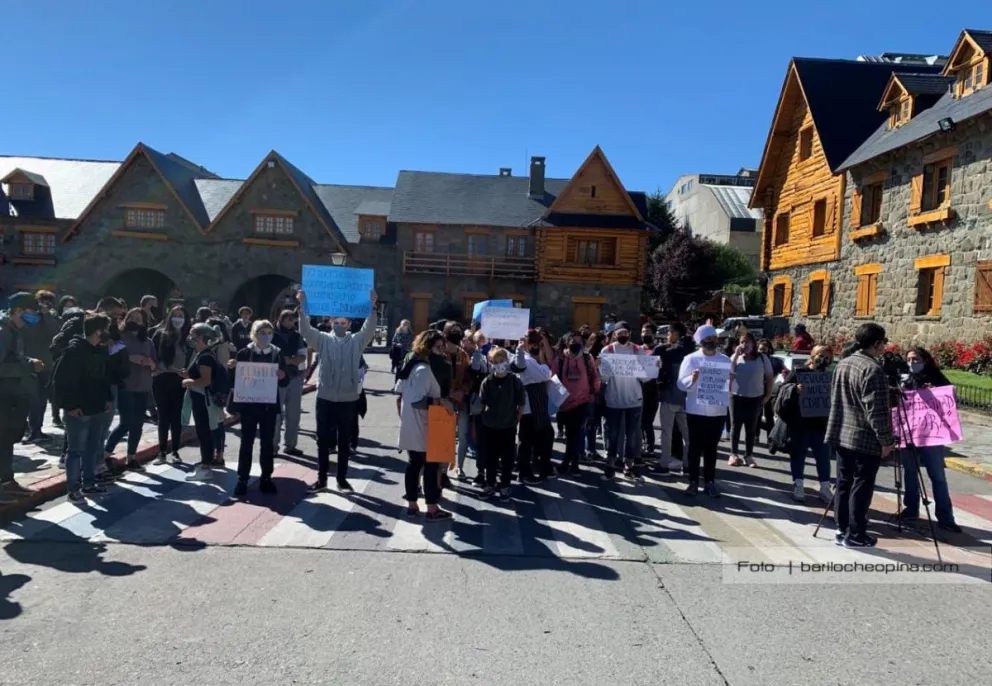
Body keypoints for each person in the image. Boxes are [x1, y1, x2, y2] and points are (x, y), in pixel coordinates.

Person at [296, 288, 377, 493]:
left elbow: (369, 329)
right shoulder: (322, 339)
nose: (340, 325)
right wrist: (302, 307)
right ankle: (321, 479)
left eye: (343, 323)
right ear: (331, 322)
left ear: (349, 324)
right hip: (324, 397)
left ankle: (342, 479)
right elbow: (305, 331)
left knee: (344, 441)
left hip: (348, 398)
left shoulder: (356, 341)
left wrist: (372, 306)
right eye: (336, 322)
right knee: (322, 440)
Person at [825, 322, 895, 548]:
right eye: (883, 342)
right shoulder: (872, 369)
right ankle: (855, 534)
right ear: (876, 343)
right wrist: (886, 440)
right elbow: (877, 411)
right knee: (861, 487)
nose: (884, 346)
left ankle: (841, 528)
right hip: (864, 437)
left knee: (844, 483)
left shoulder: (844, 363)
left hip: (842, 433)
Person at [51, 313, 114, 504]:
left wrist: (108, 399)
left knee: (92, 447)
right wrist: (69, 406)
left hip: (97, 407)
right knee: (75, 449)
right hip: (78, 409)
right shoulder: (73, 351)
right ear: (97, 331)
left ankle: (89, 483)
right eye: (106, 329)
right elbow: (60, 382)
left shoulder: (101, 351)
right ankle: (73, 489)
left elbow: (104, 378)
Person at [898, 347, 961, 533]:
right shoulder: (903, 378)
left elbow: (950, 399)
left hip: (932, 435)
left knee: (937, 477)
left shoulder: (937, 378)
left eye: (916, 359)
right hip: (909, 433)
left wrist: (935, 393)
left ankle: (945, 517)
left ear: (925, 360)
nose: (912, 363)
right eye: (909, 359)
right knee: (910, 473)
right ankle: (911, 509)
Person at [394, 330, 451, 520]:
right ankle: (432, 508)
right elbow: (419, 401)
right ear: (428, 347)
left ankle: (412, 505)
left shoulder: (411, 365)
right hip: (423, 425)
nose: (442, 350)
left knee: (413, 464)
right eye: (438, 346)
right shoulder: (423, 370)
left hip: (410, 422)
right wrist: (439, 403)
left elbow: (400, 393)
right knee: (429, 466)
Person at [231, 320, 287, 498]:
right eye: (263, 332)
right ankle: (242, 479)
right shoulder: (244, 353)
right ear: (255, 334)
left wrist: (282, 375)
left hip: (268, 406)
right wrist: (232, 367)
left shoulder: (277, 354)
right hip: (249, 406)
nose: (266, 335)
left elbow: (285, 380)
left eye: (269, 332)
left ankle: (266, 478)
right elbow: (235, 379)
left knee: (267, 443)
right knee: (246, 442)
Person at [677, 324, 733, 498]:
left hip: (717, 411)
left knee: (711, 449)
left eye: (714, 339)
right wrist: (692, 379)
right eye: (708, 339)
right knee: (694, 447)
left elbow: (730, 388)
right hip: (696, 410)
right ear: (701, 341)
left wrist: (731, 380)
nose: (711, 342)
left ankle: (709, 482)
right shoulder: (691, 359)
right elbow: (681, 383)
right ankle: (693, 482)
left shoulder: (725, 360)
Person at [0, 293, 45, 504]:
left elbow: (13, 358)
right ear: (18, 311)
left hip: (12, 394)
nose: (35, 316)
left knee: (7, 440)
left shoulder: (14, 331)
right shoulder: (3, 332)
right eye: (32, 311)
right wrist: (28, 366)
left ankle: (7, 482)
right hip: (3, 395)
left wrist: (29, 361)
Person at [598, 321, 652, 480]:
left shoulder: (638, 351)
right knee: (612, 435)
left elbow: (646, 378)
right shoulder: (607, 350)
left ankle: (629, 465)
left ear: (629, 334)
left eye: (625, 333)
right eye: (619, 333)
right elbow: (603, 377)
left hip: (634, 399)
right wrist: (600, 367)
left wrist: (654, 367)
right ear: (614, 334)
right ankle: (611, 464)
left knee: (632, 435)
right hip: (614, 399)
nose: (622, 336)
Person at [104, 308, 157, 471]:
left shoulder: (148, 342)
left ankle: (132, 457)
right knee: (126, 422)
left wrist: (150, 363)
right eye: (131, 317)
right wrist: (130, 358)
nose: (134, 320)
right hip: (125, 386)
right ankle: (106, 453)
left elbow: (156, 365)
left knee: (138, 424)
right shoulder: (120, 339)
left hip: (143, 386)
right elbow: (110, 358)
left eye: (138, 318)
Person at [780, 345, 835, 504]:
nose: (822, 359)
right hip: (800, 423)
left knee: (823, 457)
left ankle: (824, 487)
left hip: (821, 424)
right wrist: (794, 390)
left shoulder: (829, 376)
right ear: (812, 355)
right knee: (798, 454)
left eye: (826, 357)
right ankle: (798, 484)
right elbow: (783, 390)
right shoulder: (799, 372)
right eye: (819, 355)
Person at [478, 346, 526, 500]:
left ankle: (505, 485)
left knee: (507, 457)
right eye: (496, 361)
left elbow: (521, 402)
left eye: (502, 360)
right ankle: (490, 483)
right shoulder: (488, 381)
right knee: (490, 457)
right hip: (490, 426)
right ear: (491, 363)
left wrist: (516, 418)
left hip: (508, 426)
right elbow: (481, 402)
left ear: (507, 361)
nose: (499, 364)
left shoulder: (514, 381)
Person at [183, 323, 225, 482]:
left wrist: (188, 381)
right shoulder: (204, 354)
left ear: (201, 338)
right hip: (202, 399)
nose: (190, 339)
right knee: (205, 432)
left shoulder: (205, 356)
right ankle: (206, 462)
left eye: (193, 335)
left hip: (203, 400)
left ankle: (206, 466)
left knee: (204, 432)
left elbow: (205, 380)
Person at [512, 329, 555, 483]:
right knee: (527, 440)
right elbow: (545, 374)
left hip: (535, 406)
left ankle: (539, 468)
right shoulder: (528, 361)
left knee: (539, 437)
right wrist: (543, 361)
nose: (536, 346)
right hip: (530, 407)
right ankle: (525, 472)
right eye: (534, 343)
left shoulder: (530, 359)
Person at [555, 331, 600, 476]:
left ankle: (567, 464)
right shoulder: (560, 359)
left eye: (578, 341)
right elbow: (552, 378)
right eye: (572, 341)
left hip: (582, 401)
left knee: (575, 432)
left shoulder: (587, 358)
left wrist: (593, 393)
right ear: (566, 342)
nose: (575, 344)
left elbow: (594, 377)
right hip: (564, 402)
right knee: (570, 434)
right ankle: (573, 464)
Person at [727, 332, 773, 468]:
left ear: (754, 344)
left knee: (751, 428)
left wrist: (768, 395)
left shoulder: (762, 359)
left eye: (747, 342)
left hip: (755, 398)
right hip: (736, 396)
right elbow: (728, 372)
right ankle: (733, 454)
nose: (744, 345)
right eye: (741, 342)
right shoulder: (736, 358)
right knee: (735, 426)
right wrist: (735, 355)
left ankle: (749, 456)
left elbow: (770, 377)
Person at [651, 322, 692, 473]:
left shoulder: (666, 351)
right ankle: (688, 465)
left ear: (675, 334)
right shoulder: (692, 350)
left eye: (669, 332)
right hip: (688, 399)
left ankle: (664, 464)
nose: (667, 336)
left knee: (666, 432)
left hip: (670, 396)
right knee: (688, 435)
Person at [151, 305, 190, 465]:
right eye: (175, 315)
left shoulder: (188, 339)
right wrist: (173, 369)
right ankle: (161, 452)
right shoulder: (161, 335)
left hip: (180, 382)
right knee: (163, 417)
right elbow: (156, 359)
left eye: (181, 315)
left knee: (176, 417)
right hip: (162, 379)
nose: (178, 319)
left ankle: (175, 451)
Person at [19, 290, 59, 444]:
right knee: (28, 398)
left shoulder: (45, 318)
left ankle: (36, 429)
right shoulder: (19, 320)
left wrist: (46, 315)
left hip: (44, 363)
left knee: (40, 399)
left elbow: (55, 332)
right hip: (26, 364)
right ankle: (26, 428)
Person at [272, 308, 307, 457]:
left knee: (293, 414)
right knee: (276, 415)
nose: (292, 323)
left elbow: (302, 355)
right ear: (281, 319)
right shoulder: (271, 333)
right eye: (289, 320)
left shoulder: (296, 336)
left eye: (294, 320)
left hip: (293, 377)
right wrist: (286, 360)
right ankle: (273, 446)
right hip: (275, 379)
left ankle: (291, 445)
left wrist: (292, 360)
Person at [757, 338, 785, 441]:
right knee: (757, 415)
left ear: (769, 350)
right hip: (757, 390)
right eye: (760, 349)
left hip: (770, 390)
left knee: (769, 415)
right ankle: (756, 436)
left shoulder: (775, 361)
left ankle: (770, 436)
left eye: (764, 349)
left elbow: (784, 371)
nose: (762, 351)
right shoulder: (755, 360)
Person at [639, 323, 660, 459]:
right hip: (639, 389)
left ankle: (650, 447)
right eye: (643, 331)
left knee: (647, 421)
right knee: (639, 421)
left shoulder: (659, 350)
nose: (645, 334)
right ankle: (640, 445)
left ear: (653, 334)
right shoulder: (638, 350)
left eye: (647, 332)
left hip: (653, 390)